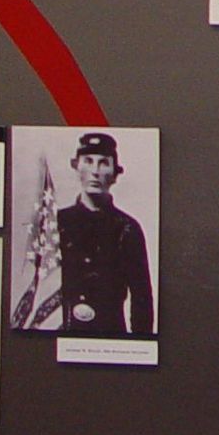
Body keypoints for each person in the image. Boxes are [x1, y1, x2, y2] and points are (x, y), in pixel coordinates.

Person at [57, 131, 154, 337]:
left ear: (115, 174)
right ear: (76, 167)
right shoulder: (58, 223)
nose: (95, 171)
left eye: (103, 163)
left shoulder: (127, 228)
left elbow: (142, 299)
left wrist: (139, 344)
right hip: (62, 332)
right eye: (88, 161)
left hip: (109, 334)